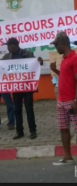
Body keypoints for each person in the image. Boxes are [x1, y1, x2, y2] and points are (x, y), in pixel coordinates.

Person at [1, 38, 43, 140]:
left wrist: (39, 61)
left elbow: (37, 64)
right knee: (17, 110)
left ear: (15, 45)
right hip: (16, 88)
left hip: (27, 87)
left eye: (9, 46)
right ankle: (19, 132)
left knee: (29, 108)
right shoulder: (7, 56)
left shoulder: (27, 53)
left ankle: (33, 131)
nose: (7, 48)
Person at [49, 31, 77, 166]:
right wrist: (55, 71)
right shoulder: (65, 59)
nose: (56, 48)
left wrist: (76, 101)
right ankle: (68, 157)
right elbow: (67, 78)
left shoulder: (74, 59)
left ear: (64, 44)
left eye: (56, 45)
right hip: (61, 101)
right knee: (63, 128)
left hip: (71, 101)